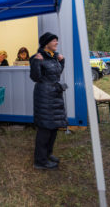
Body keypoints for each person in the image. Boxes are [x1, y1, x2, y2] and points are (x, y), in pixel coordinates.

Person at [29, 32, 67, 170]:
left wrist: (62, 61)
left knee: (54, 126)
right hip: (44, 96)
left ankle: (48, 154)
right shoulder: (36, 57)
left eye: (57, 40)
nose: (57, 43)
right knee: (45, 128)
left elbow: (56, 74)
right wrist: (36, 63)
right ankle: (40, 161)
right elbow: (35, 77)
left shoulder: (54, 57)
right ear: (46, 43)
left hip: (55, 95)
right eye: (54, 41)